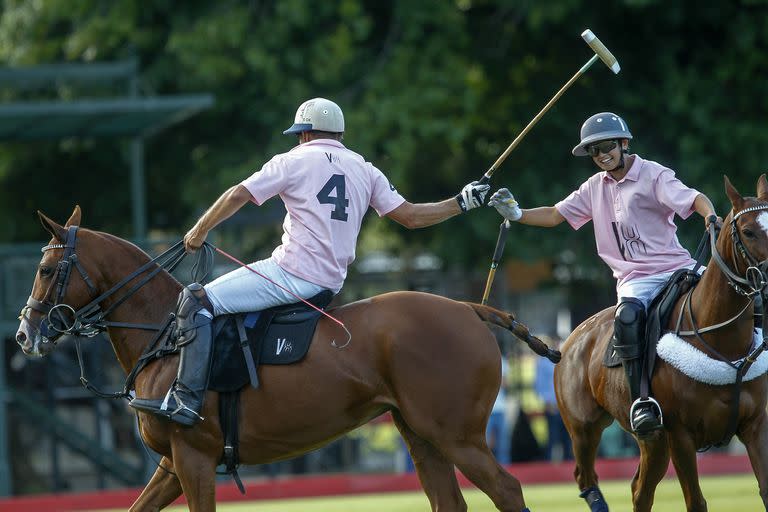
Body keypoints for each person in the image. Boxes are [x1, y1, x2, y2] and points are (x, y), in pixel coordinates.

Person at [129, 97, 491, 426]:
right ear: (339, 134)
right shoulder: (365, 169)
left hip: (290, 274)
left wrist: (200, 229)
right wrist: (461, 201)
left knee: (196, 299)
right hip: (330, 283)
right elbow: (411, 216)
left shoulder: (293, 160)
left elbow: (239, 193)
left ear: (304, 134)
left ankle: (186, 399)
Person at [488, 112, 721, 437]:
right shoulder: (593, 188)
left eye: (607, 146)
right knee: (627, 319)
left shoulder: (652, 174)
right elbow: (556, 215)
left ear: (624, 143)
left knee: (728, 293)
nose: (601, 155)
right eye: (594, 151)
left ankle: (752, 360)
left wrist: (710, 217)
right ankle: (642, 402)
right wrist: (517, 213)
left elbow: (694, 198)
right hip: (635, 280)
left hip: (676, 266)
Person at [533, 338, 572, 461]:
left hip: (566, 406)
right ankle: (549, 470)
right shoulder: (543, 362)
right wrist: (547, 402)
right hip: (553, 406)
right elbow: (538, 384)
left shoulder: (568, 360)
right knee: (552, 439)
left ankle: (568, 468)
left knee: (568, 439)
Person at [486, 354, 511, 465]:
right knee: (485, 444)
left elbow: (505, 383)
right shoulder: (482, 359)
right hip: (487, 410)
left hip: (499, 408)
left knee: (503, 445)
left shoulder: (502, 361)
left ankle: (505, 467)